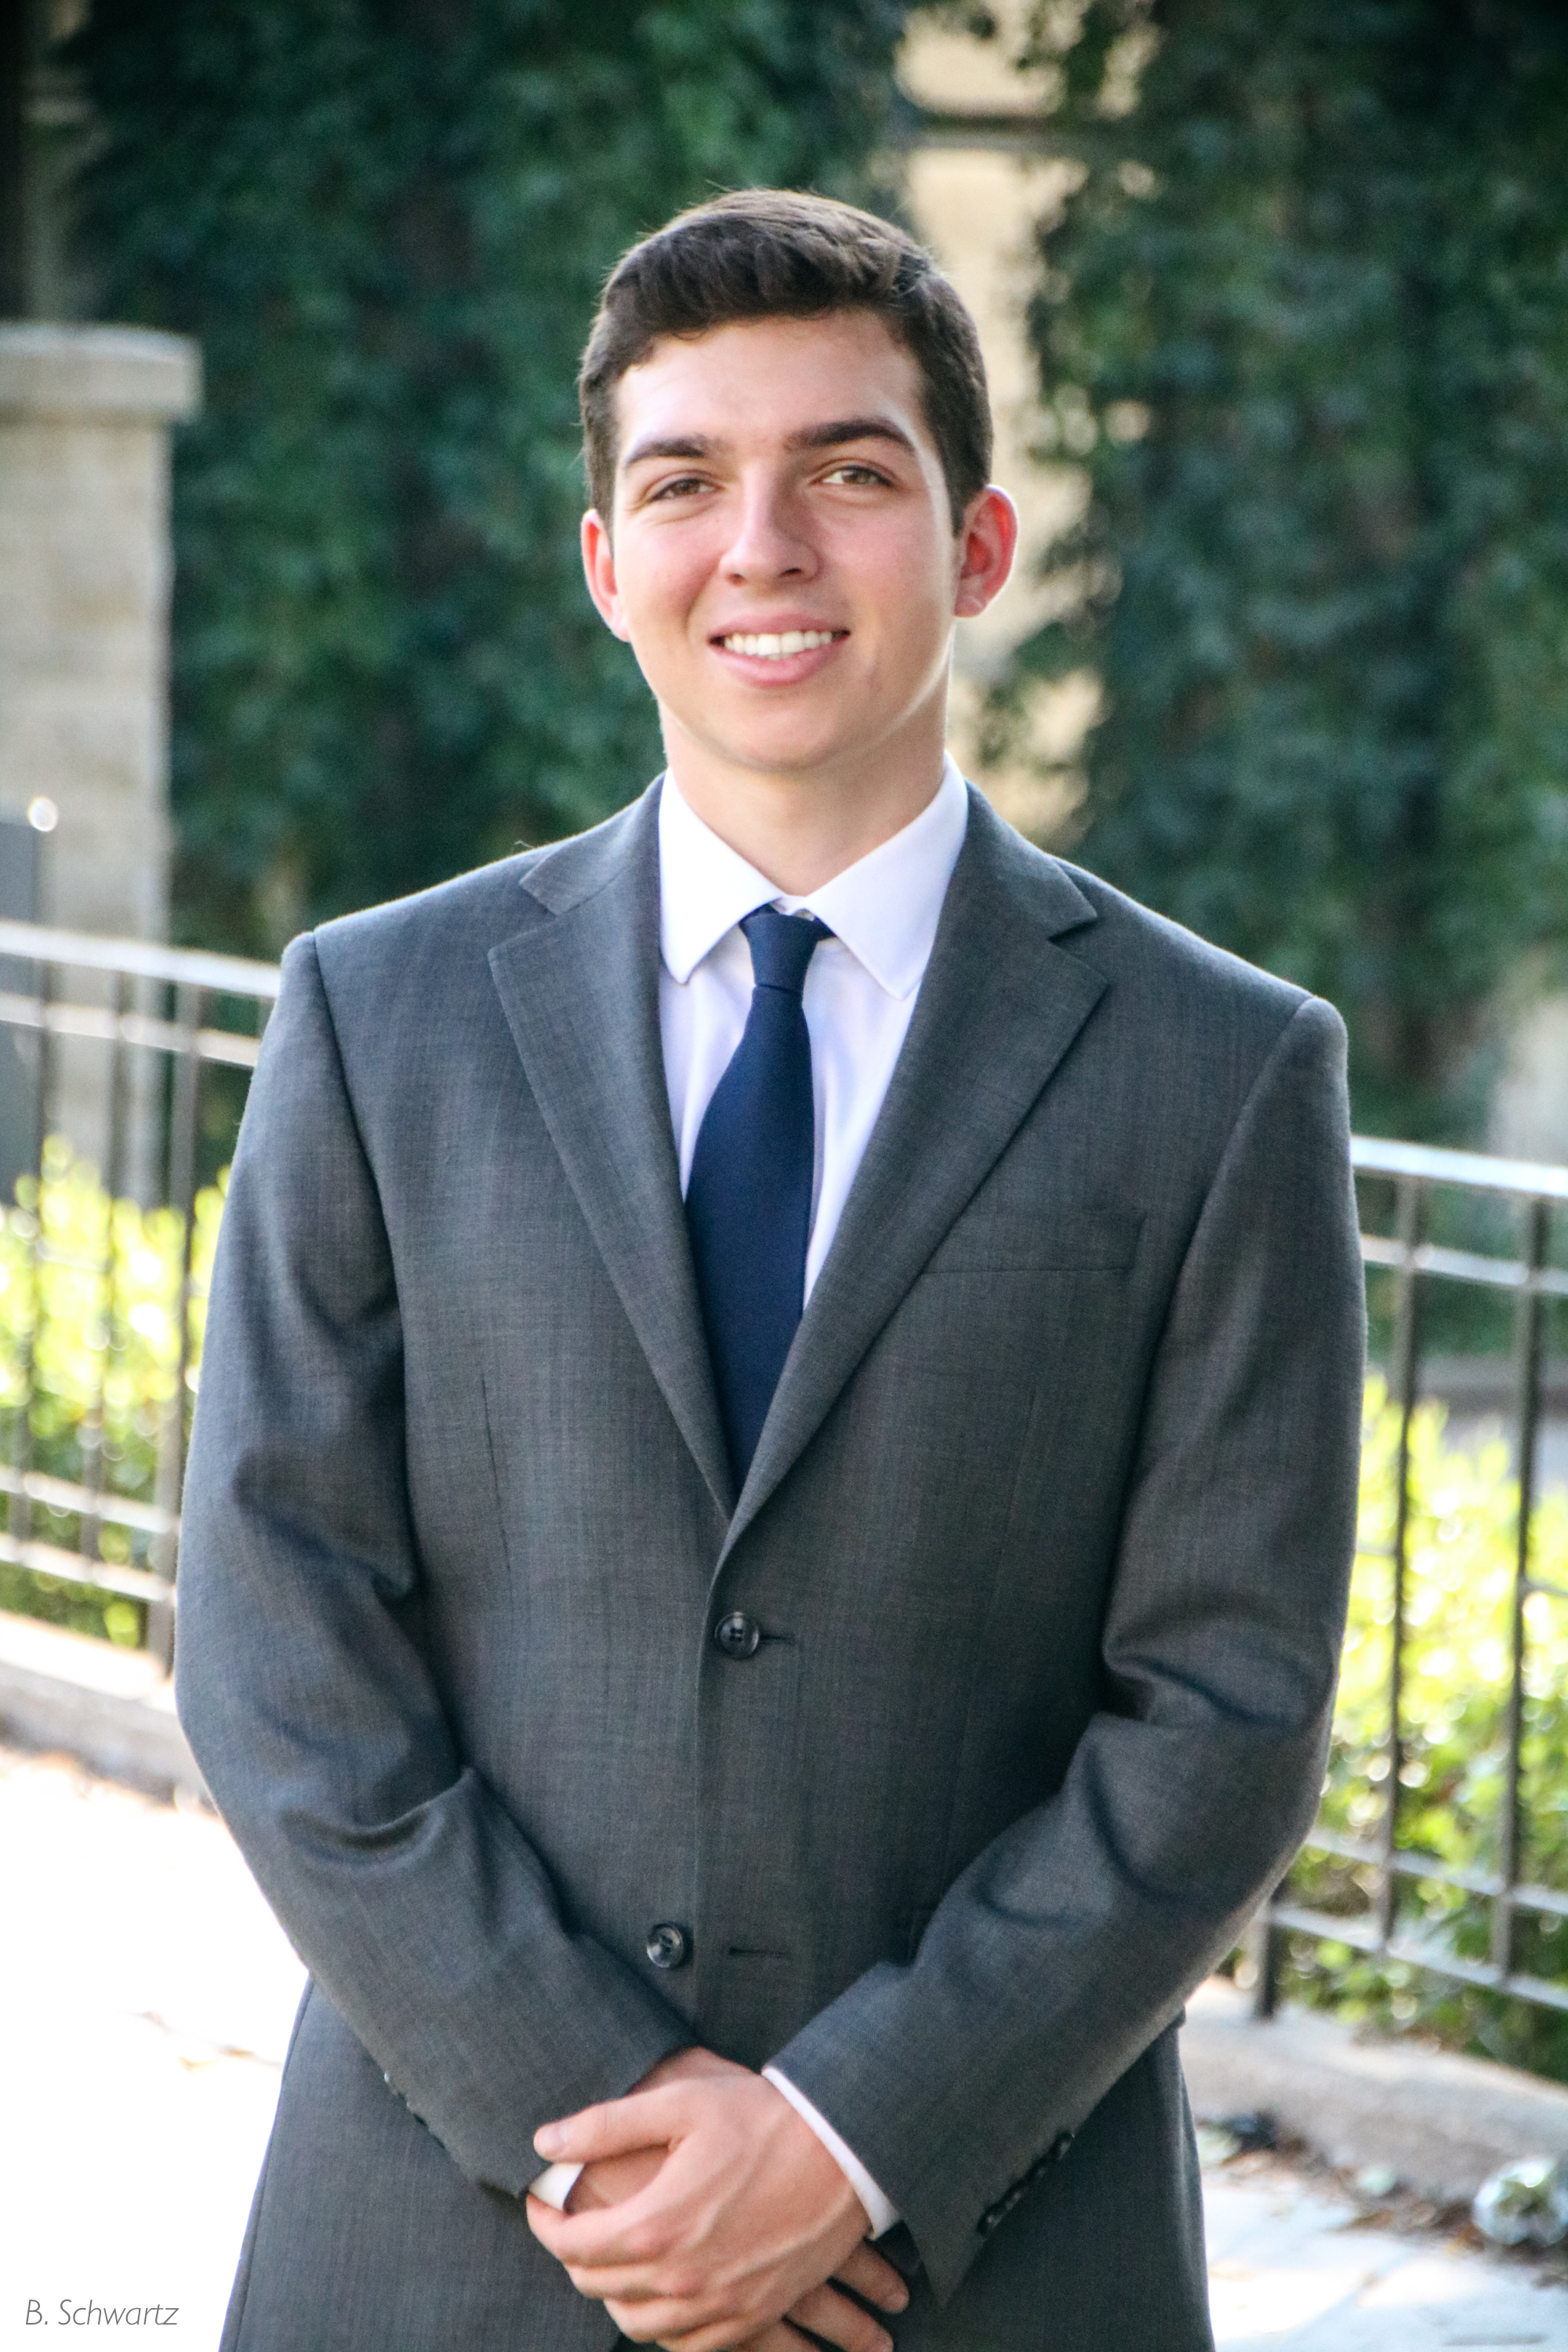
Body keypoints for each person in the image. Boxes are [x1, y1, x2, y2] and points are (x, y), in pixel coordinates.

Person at [176, 189, 1366, 2352]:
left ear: (976, 547)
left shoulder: (1225, 1072)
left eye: (848, 472)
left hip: (978, 2261)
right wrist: (614, 2117)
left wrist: (847, 2140)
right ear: (605, 563)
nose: (767, 546)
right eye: (687, 481)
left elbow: (1225, 1718)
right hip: (456, 2245)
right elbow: (274, 1634)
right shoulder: (378, 1016)